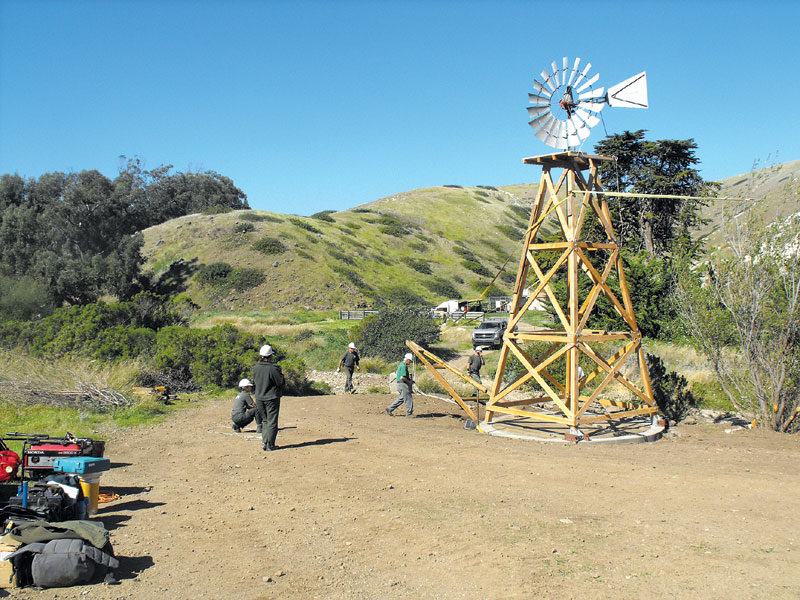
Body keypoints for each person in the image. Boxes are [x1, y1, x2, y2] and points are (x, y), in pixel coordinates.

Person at [253, 344, 285, 451]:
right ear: (270, 356)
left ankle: (265, 442)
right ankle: (270, 444)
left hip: (259, 397)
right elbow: (281, 382)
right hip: (271, 398)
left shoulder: (256, 368)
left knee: (265, 420)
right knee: (272, 421)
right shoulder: (273, 369)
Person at [386, 352, 415, 417]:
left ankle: (390, 408)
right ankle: (409, 413)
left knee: (402, 398)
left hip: (400, 384)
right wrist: (409, 382)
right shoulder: (403, 366)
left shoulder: (401, 365)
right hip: (403, 384)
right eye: (410, 361)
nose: (410, 363)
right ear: (407, 360)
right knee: (408, 398)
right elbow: (402, 377)